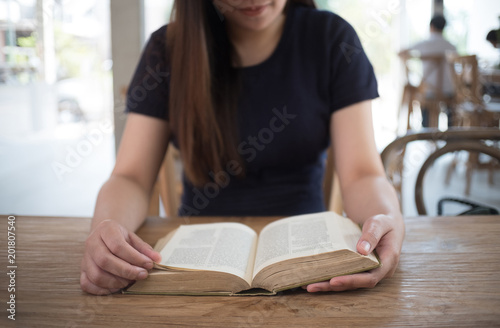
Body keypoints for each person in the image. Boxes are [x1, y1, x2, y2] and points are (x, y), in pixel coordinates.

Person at [80, 0, 405, 295]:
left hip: (309, 262)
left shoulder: (332, 39)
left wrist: (384, 218)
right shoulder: (168, 49)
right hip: (195, 264)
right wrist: (107, 231)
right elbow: (130, 177)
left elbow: (363, 173)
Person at [399, 14, 457, 127]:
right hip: (448, 90)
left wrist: (410, 60)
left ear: (431, 26)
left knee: (423, 95)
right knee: (450, 105)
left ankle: (426, 130)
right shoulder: (451, 46)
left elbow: (401, 53)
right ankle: (450, 134)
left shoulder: (424, 43)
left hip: (429, 90)